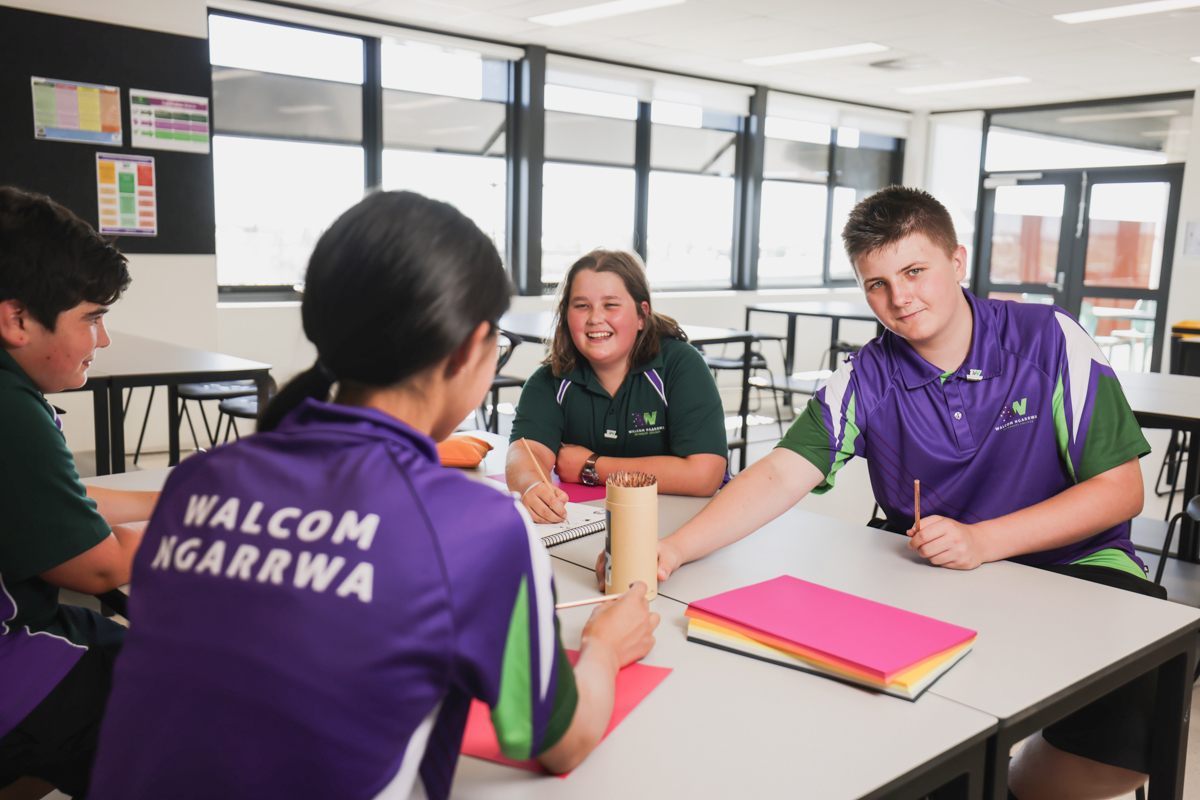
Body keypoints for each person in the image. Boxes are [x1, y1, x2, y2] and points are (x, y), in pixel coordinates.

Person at [88, 192, 659, 799]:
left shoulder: (197, 480)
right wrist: (603, 646)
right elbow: (553, 739)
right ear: (471, 347)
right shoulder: (477, 528)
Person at [612, 185, 1158, 800]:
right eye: (876, 284)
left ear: (957, 262)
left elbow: (1121, 490)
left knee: (1133, 736)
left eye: (915, 270)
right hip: (933, 572)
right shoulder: (867, 374)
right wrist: (674, 549)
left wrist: (984, 540)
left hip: (1077, 566)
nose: (899, 298)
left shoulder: (1049, 337)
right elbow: (780, 471)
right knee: (911, 738)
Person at [0, 186, 158, 796]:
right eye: (93, 318)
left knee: (134, 645)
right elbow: (99, 568)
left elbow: (55, 501)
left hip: (22, 624)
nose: (104, 339)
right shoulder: (9, 413)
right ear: (16, 320)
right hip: (13, 655)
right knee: (178, 688)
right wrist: (217, 518)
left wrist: (170, 500)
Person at [507, 249, 728, 523]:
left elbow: (705, 475)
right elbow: (526, 452)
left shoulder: (680, 365)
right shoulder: (550, 380)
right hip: (593, 522)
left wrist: (591, 467)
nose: (595, 318)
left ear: (641, 315)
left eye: (610, 304)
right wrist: (530, 486)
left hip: (685, 525)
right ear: (566, 315)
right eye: (581, 305)